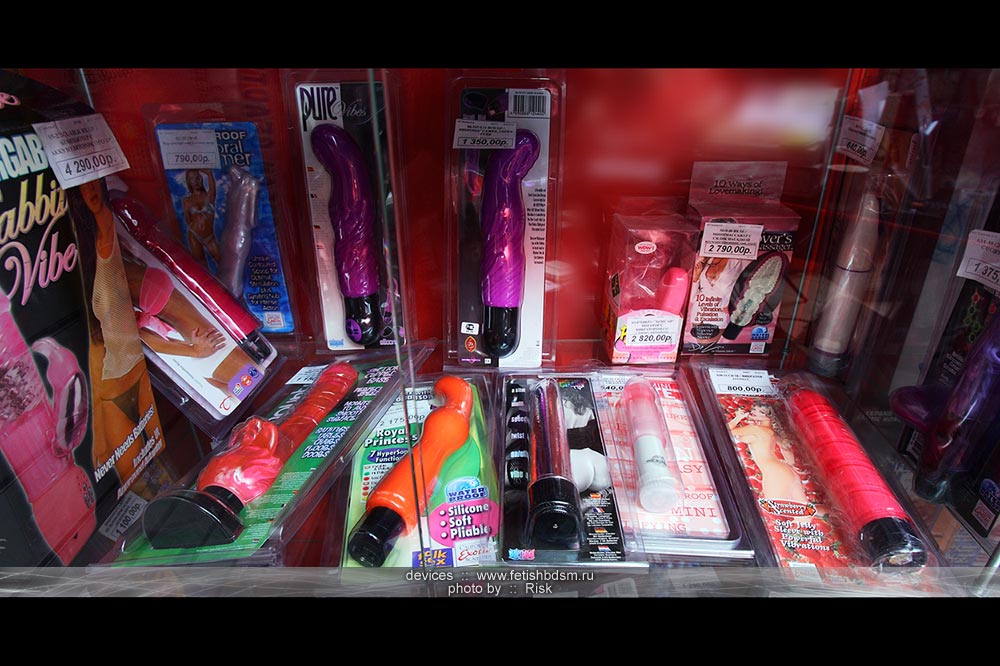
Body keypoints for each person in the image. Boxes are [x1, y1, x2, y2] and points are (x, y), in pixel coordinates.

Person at [69, 179, 161, 488]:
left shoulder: (119, 234)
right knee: (137, 486)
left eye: (94, 185)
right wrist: (97, 433)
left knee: (159, 469)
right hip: (111, 391)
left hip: (137, 375)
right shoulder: (87, 257)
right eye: (84, 190)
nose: (92, 193)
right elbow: (97, 349)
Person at [120, 256, 255, 393]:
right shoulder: (117, 283)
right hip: (216, 350)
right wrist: (194, 351)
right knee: (257, 391)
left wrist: (194, 350)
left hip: (212, 353)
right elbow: (144, 339)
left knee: (249, 395)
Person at [728, 403, 809, 505]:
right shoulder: (773, 432)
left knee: (774, 508)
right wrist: (792, 465)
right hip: (788, 471)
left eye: (760, 412)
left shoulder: (755, 429)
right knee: (802, 510)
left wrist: (737, 418)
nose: (753, 412)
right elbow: (786, 450)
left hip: (773, 473)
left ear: (768, 416)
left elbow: (725, 430)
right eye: (754, 409)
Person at [182, 169, 220, 266]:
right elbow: (188, 221)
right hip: (194, 235)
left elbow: (209, 174)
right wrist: (186, 211)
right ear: (188, 181)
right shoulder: (187, 200)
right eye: (192, 179)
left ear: (201, 179)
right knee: (201, 265)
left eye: (197, 178)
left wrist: (202, 168)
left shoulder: (209, 196)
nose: (195, 181)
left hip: (209, 236)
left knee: (222, 262)